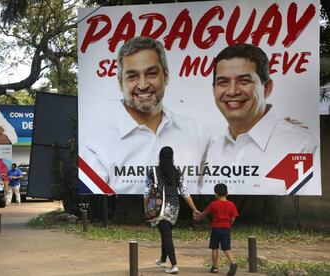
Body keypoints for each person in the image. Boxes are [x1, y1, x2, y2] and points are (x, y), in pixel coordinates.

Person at [81, 36, 211, 194]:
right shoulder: (96, 147)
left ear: (166, 76)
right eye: (132, 76)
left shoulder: (199, 134)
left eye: (151, 74)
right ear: (120, 82)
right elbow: (98, 211)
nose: (142, 85)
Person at [201, 44, 319, 194]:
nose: (232, 91)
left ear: (267, 88)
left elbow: (302, 212)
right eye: (222, 83)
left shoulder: (302, 146)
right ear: (213, 90)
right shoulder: (213, 150)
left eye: (244, 81)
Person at [144, 146, 200, 274]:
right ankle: (163, 260)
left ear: (160, 157)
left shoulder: (153, 172)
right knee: (166, 232)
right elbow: (185, 193)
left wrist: (146, 208)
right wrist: (194, 209)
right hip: (174, 206)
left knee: (166, 235)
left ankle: (174, 265)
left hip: (160, 206)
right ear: (172, 157)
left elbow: (146, 193)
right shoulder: (177, 171)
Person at [196, 183, 238, 275]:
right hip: (226, 229)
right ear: (227, 193)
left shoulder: (213, 204)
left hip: (216, 228)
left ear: (216, 194)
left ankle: (215, 267)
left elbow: (205, 213)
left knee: (214, 248)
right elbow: (233, 218)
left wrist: (198, 217)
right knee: (226, 248)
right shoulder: (231, 204)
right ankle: (233, 262)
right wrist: (229, 224)